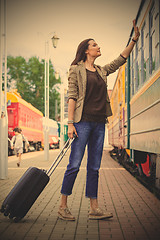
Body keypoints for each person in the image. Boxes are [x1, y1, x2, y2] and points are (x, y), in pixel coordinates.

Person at [58, 20, 140, 221]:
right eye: (95, 45)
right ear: (86, 50)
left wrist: (134, 40)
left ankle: (94, 208)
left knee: (94, 167)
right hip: (82, 123)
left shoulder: (102, 71)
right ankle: (62, 206)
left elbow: (121, 59)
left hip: (99, 123)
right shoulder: (75, 69)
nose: (98, 47)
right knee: (74, 165)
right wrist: (70, 123)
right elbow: (72, 96)